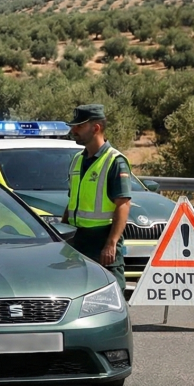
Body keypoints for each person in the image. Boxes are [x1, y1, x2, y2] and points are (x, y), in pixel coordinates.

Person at [62, 104, 130, 291]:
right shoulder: (77, 159)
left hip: (102, 240)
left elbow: (123, 205)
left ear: (96, 128)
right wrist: (61, 232)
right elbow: (72, 202)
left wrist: (111, 243)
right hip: (77, 240)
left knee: (111, 293)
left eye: (79, 126)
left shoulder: (114, 161)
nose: (73, 130)